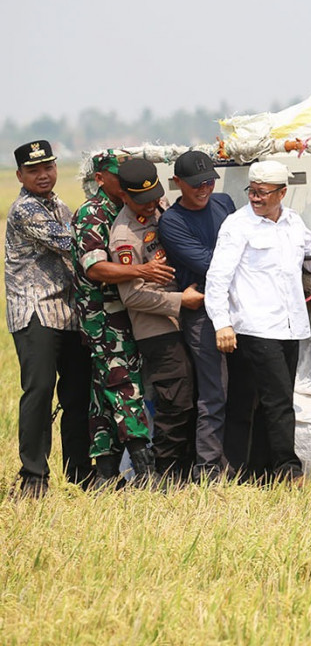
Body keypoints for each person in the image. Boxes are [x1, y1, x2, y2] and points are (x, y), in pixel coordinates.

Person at [205, 160, 311, 483]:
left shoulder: (293, 222)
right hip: (253, 327)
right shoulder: (238, 226)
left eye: (263, 193)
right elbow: (217, 278)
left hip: (290, 328)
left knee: (269, 403)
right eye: (252, 191)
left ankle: (259, 474)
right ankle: (289, 471)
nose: (255, 198)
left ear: (282, 193)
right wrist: (222, 323)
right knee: (279, 402)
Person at [73, 150, 171, 486]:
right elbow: (95, 267)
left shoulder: (138, 205)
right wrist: (141, 270)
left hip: (136, 310)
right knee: (124, 384)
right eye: (119, 174)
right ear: (101, 178)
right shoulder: (92, 213)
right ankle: (146, 472)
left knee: (105, 393)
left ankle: (105, 474)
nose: (127, 177)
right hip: (105, 315)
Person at [109, 158, 205, 482]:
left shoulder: (161, 207)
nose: (152, 206)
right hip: (156, 326)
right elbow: (132, 296)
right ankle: (165, 474)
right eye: (143, 201)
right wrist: (180, 301)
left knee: (193, 393)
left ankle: (188, 469)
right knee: (175, 399)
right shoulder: (124, 235)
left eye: (155, 197)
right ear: (124, 197)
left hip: (182, 316)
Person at [5, 140, 91, 497]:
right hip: (35, 310)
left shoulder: (60, 204)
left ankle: (80, 474)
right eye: (34, 170)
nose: (43, 175)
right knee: (39, 392)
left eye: (49, 168)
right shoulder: (25, 210)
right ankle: (33, 476)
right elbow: (71, 242)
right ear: (20, 175)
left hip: (68, 313)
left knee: (76, 395)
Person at [157, 150, 240, 482]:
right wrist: (243, 258)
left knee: (243, 388)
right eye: (195, 185)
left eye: (209, 181)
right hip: (203, 314)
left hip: (239, 307)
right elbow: (211, 264)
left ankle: (236, 462)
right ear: (177, 183)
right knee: (213, 391)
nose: (204, 189)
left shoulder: (224, 203)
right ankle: (206, 470)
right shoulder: (172, 222)